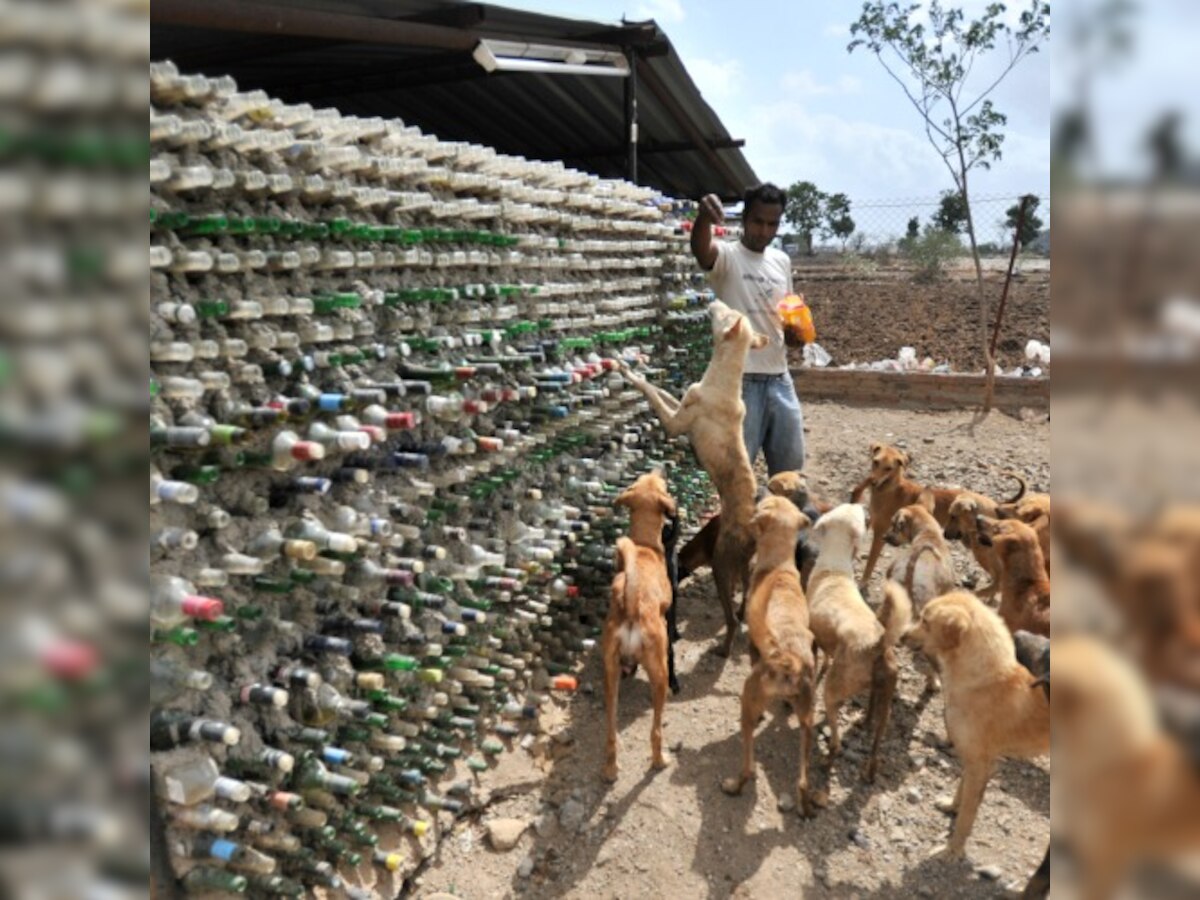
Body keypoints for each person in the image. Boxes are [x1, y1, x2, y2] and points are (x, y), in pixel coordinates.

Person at [690, 183, 806, 475]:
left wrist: (795, 333)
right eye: (758, 221)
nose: (764, 231)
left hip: (779, 377)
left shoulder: (781, 261)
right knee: (737, 474)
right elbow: (702, 250)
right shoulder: (728, 257)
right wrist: (704, 218)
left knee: (790, 472)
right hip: (740, 383)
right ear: (744, 219)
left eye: (772, 224)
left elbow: (786, 311)